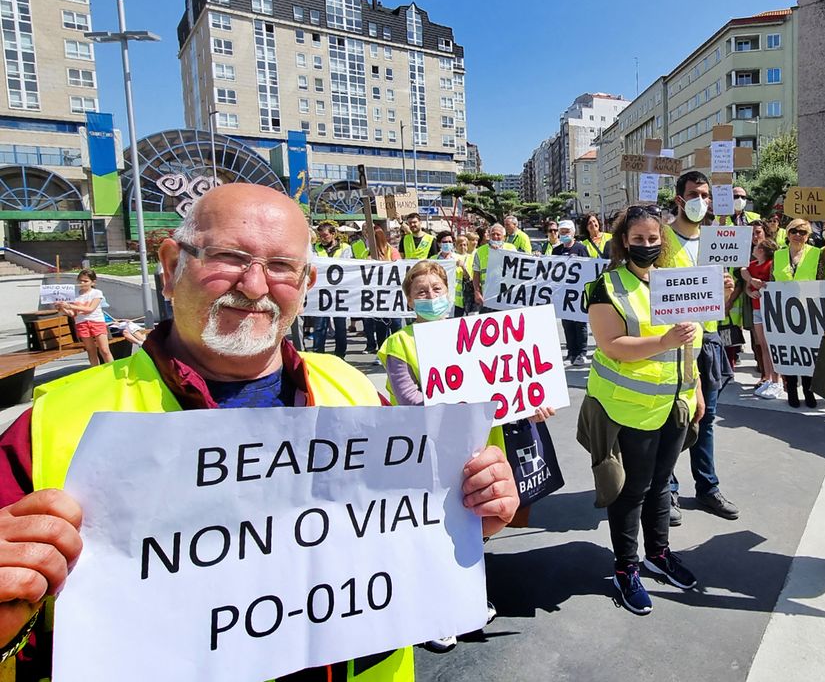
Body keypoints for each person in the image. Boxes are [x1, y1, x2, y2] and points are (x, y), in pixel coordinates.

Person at [0, 183, 518, 679]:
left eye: (281, 266)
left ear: (307, 284)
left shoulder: (356, 392)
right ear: (170, 266)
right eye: (227, 257)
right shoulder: (50, 429)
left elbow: (407, 542)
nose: (254, 286)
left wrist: (468, 516)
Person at [377, 259, 549, 652]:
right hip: (428, 453)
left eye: (437, 291)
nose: (431, 299)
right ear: (409, 300)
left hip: (477, 446)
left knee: (472, 527)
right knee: (434, 530)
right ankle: (434, 612)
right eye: (421, 293)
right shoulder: (399, 344)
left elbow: (505, 380)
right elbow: (410, 399)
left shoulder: (472, 335)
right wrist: (467, 404)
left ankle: (462, 597)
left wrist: (528, 400)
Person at [580, 203, 705, 615]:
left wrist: (697, 389)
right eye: (638, 239)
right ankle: (626, 568)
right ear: (623, 242)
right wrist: (663, 341)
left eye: (654, 239)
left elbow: (692, 343)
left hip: (675, 405)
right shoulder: (606, 287)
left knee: (661, 485)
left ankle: (659, 554)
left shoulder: (679, 283)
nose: (647, 245)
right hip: (629, 409)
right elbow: (611, 344)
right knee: (631, 491)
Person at [663, 171, 739, 523]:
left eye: (706, 195)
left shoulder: (716, 241)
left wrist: (725, 290)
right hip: (673, 342)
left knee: (705, 419)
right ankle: (669, 489)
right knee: (673, 420)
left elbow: (720, 304)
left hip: (707, 342)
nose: (700, 201)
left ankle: (707, 487)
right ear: (679, 199)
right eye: (694, 194)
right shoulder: (662, 240)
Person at [772, 218, 825, 408]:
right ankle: (792, 390)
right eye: (794, 231)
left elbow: (822, 280)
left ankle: (809, 391)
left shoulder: (816, 254)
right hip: (783, 313)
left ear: (808, 236)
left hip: (809, 313)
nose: (797, 235)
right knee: (789, 354)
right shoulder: (778, 255)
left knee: (808, 354)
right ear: (787, 233)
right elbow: (772, 281)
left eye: (803, 232)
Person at [745, 236, 781, 398]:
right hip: (757, 308)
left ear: (761, 250)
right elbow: (746, 284)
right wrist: (751, 290)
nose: (753, 248)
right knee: (763, 345)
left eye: (756, 247)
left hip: (770, 309)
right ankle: (768, 377)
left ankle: (777, 381)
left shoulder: (772, 265)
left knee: (773, 346)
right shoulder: (752, 266)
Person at [55, 269, 113, 366]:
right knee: (91, 350)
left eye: (85, 281)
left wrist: (70, 306)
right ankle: (95, 371)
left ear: (93, 282)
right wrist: (62, 308)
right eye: (80, 280)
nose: (82, 283)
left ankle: (112, 369)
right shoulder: (74, 295)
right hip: (81, 323)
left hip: (96, 322)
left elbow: (90, 309)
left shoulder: (96, 293)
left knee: (104, 349)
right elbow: (73, 314)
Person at [553, 219, 591, 365]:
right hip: (563, 293)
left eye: (566, 232)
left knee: (579, 323)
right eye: (561, 232)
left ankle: (582, 352)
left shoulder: (580, 248)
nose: (564, 235)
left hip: (578, 292)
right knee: (567, 323)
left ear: (573, 233)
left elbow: (588, 267)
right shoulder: (557, 250)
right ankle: (571, 352)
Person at [310, 222, 351, 358]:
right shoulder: (315, 248)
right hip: (321, 292)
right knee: (320, 325)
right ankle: (318, 354)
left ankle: (340, 355)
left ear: (333, 234)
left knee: (340, 326)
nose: (322, 238)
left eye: (325, 235)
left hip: (339, 292)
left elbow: (348, 267)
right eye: (320, 236)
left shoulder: (345, 248)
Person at [471, 223, 517, 312]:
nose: (495, 237)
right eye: (493, 234)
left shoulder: (511, 248)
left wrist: (536, 256)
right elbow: (476, 273)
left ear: (504, 236)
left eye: (498, 234)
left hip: (507, 295)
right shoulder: (480, 251)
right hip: (487, 296)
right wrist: (477, 292)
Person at [431, 230, 467, 318]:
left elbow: (468, 278)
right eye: (445, 242)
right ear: (439, 244)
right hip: (438, 300)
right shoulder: (433, 260)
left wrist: (463, 267)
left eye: (450, 242)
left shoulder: (460, 258)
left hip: (456, 301)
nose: (448, 244)